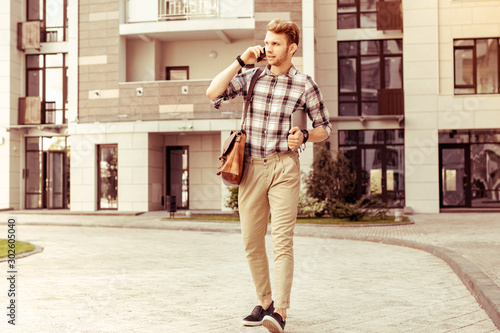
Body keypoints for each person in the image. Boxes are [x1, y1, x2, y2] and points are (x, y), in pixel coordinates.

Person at [206, 18, 331, 333]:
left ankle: (282, 312)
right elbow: (213, 93)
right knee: (251, 241)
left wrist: (303, 135)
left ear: (292, 48)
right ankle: (265, 303)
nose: (269, 48)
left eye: (276, 43)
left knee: (282, 240)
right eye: (267, 42)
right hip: (250, 168)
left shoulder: (304, 83)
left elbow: (324, 128)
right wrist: (240, 61)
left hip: (284, 166)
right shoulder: (251, 77)